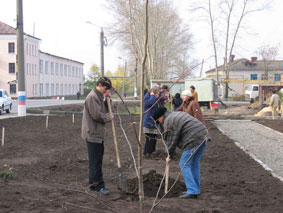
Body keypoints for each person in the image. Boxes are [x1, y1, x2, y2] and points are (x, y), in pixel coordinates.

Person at [152, 107, 208, 199]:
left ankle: (192, 191)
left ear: (161, 116)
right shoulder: (174, 114)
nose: (160, 123)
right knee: (194, 164)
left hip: (194, 138)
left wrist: (169, 155)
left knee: (184, 163)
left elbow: (171, 140)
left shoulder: (169, 121)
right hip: (203, 134)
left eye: (158, 121)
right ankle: (195, 189)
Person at [81, 77, 114, 195]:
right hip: (93, 133)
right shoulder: (92, 97)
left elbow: (104, 108)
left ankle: (93, 184)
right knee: (96, 161)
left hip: (97, 133)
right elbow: (97, 115)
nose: (106, 91)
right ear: (99, 85)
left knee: (96, 160)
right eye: (105, 88)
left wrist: (108, 100)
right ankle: (99, 186)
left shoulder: (99, 96)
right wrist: (109, 117)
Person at [143, 87, 162, 157]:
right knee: (149, 138)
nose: (158, 95)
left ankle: (151, 152)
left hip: (154, 122)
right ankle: (147, 153)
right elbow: (148, 104)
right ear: (154, 93)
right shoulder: (148, 98)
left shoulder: (155, 99)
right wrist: (153, 96)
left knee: (153, 138)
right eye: (157, 94)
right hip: (149, 122)